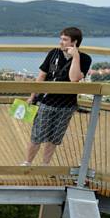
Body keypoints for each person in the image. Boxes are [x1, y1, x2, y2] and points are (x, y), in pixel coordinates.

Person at [21, 27, 92, 165]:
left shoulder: (84, 59)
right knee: (37, 135)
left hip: (66, 105)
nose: (61, 42)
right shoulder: (54, 53)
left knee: (54, 138)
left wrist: (75, 56)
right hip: (46, 102)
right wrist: (32, 96)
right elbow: (41, 75)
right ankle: (27, 163)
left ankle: (45, 165)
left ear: (75, 42)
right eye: (61, 39)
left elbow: (74, 78)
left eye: (65, 40)